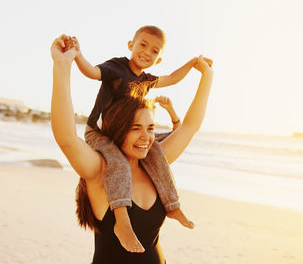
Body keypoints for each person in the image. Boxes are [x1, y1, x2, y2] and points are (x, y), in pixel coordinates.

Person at [51, 35, 213, 263]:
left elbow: (189, 126)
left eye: (150, 127)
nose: (146, 137)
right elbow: (66, 137)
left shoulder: (155, 162)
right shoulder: (100, 169)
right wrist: (63, 64)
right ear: (119, 129)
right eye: (136, 127)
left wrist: (207, 75)